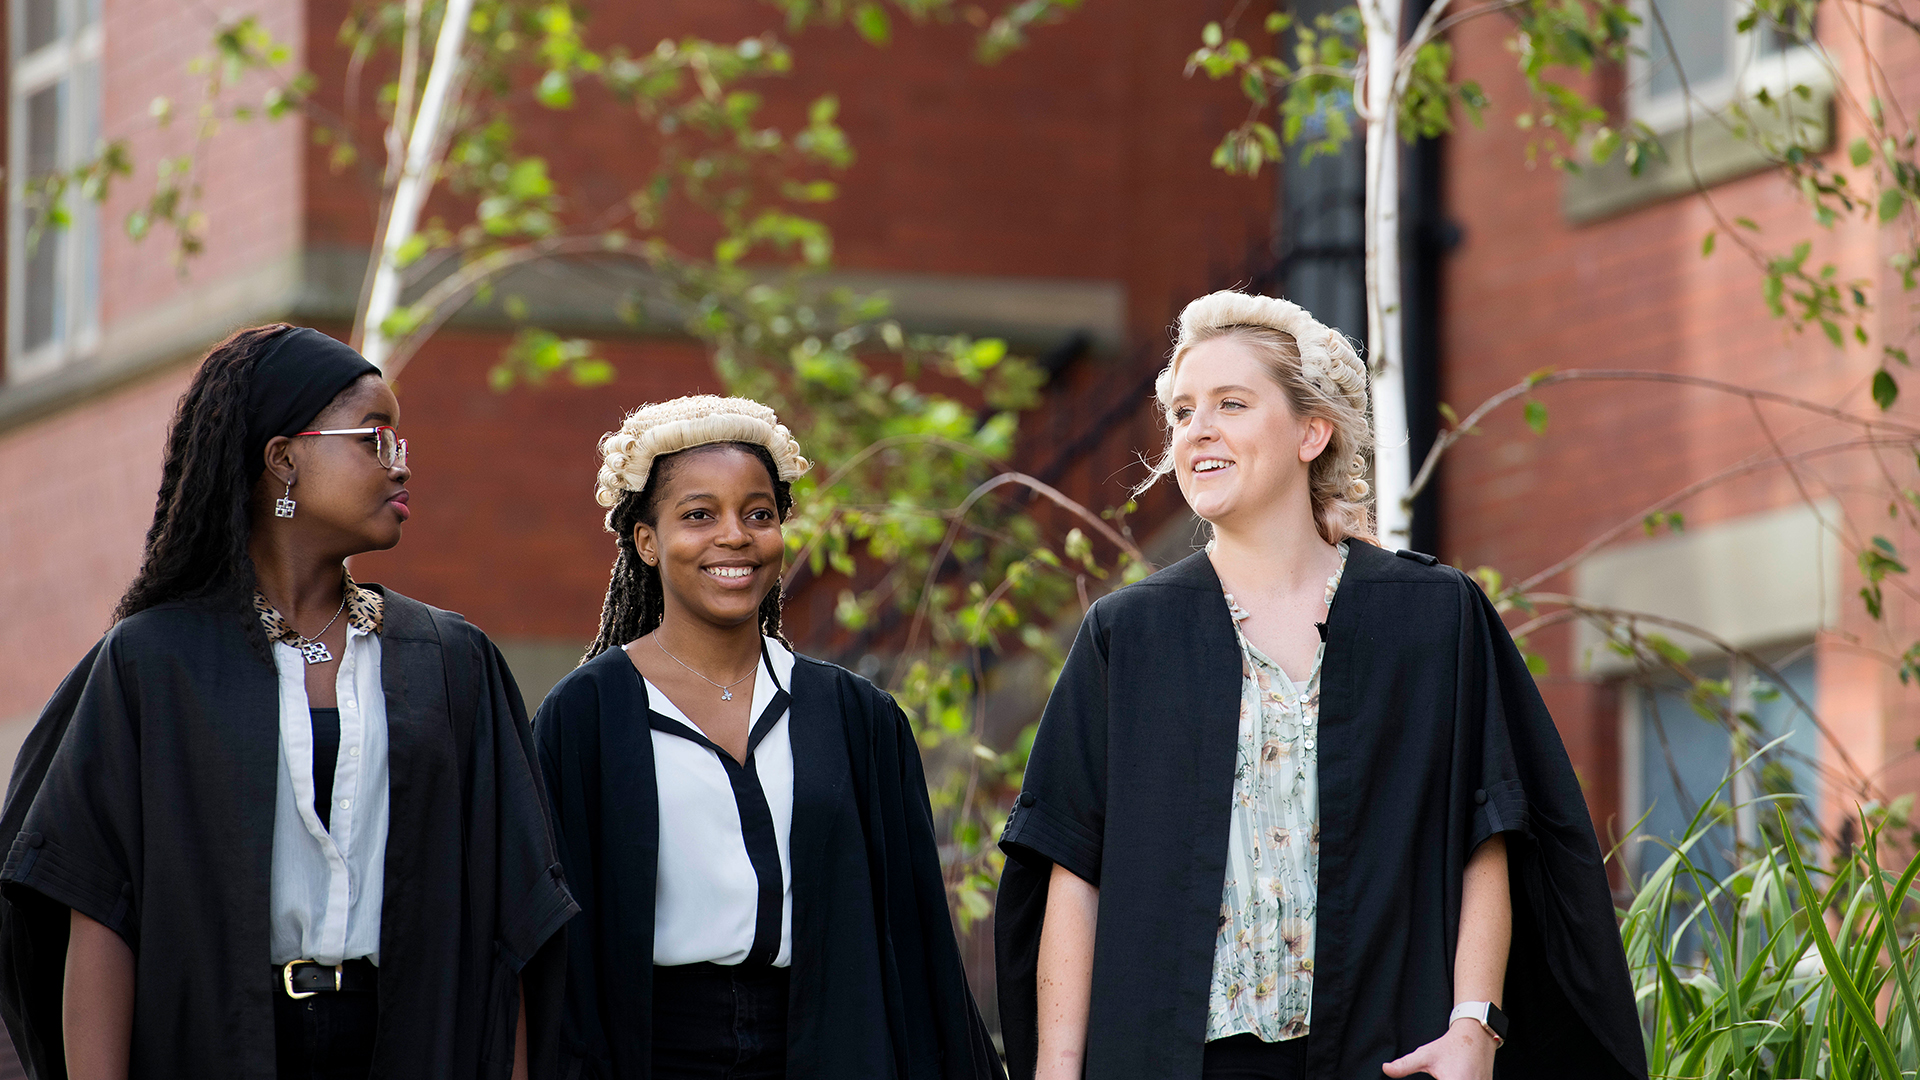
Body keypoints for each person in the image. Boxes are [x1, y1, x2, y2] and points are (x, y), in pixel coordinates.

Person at [993, 292, 1647, 1080]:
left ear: (1313, 430)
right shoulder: (1128, 636)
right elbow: (1073, 867)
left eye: (1232, 404)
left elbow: (1490, 827)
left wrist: (1475, 1025)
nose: (1197, 429)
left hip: (1389, 1053)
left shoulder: (1429, 616)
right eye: (1183, 412)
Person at [0, 326, 577, 1080]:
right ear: (283, 459)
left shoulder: (449, 662)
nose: (401, 464)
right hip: (217, 1040)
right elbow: (98, 912)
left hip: (407, 1043)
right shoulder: (157, 663)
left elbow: (516, 922)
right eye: (375, 436)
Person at [534, 395, 1003, 1080]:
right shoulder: (587, 717)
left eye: (759, 514)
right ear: (646, 540)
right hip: (653, 1052)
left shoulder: (854, 717)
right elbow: (555, 952)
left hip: (828, 1044)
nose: (735, 536)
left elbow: (917, 937)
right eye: (699, 515)